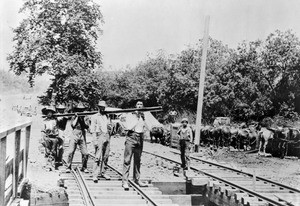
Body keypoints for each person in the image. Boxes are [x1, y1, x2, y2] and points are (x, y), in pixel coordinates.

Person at [122, 100, 149, 190]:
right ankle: (125, 181)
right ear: (135, 105)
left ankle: (137, 179)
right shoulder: (131, 115)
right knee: (127, 160)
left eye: (141, 104)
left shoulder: (143, 116)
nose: (139, 106)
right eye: (138, 104)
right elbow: (128, 127)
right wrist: (137, 118)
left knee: (138, 160)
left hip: (140, 137)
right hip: (131, 136)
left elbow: (146, 127)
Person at [90, 100, 112, 182]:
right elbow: (92, 129)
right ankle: (95, 174)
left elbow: (110, 126)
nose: (102, 109)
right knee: (97, 156)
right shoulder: (94, 116)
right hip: (99, 135)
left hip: (107, 136)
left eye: (103, 107)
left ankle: (103, 172)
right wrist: (94, 140)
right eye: (101, 107)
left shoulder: (107, 116)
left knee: (106, 156)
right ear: (98, 107)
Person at [66, 103, 89, 173]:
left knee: (85, 153)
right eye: (79, 110)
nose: (80, 111)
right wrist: (77, 117)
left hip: (82, 133)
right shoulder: (74, 116)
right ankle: (68, 166)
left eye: (81, 110)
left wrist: (83, 119)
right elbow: (73, 125)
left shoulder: (86, 117)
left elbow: (86, 126)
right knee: (70, 151)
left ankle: (84, 167)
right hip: (75, 132)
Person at [41, 106, 59, 170]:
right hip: (47, 137)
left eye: (50, 112)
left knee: (53, 151)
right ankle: (48, 165)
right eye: (48, 113)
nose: (49, 114)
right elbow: (43, 130)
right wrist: (44, 138)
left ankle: (53, 165)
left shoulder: (55, 120)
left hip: (54, 137)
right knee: (47, 151)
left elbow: (57, 129)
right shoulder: (44, 121)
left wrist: (57, 137)